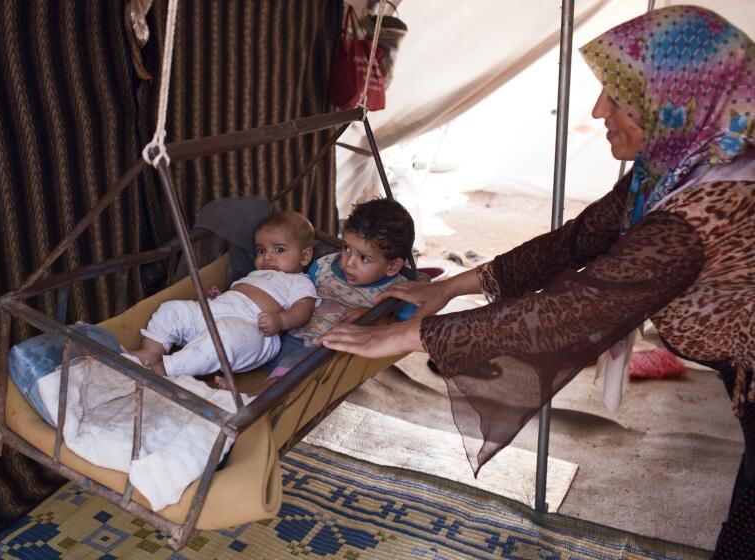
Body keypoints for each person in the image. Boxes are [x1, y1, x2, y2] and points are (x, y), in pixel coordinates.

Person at [320, 6, 754, 558]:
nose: (598, 110)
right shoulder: (672, 171)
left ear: (675, 100)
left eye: (616, 96)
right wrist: (454, 285)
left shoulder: (709, 203)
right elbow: (575, 242)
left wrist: (414, 336)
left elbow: (581, 307)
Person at [223, 197, 417, 396]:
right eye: (346, 248)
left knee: (296, 366)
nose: (348, 262)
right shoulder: (323, 265)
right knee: (245, 337)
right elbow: (293, 289)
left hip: (321, 351)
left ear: (392, 266)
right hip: (287, 332)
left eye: (364, 258)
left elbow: (405, 332)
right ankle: (212, 369)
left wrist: (374, 317)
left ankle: (254, 398)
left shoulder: (398, 291)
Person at [131, 210, 318, 378]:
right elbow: (239, 297)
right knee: (172, 309)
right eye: (261, 250)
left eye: (279, 250)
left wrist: (281, 321)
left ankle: (168, 368)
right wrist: (219, 297)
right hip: (215, 312)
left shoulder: (299, 281)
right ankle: (150, 351)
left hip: (253, 328)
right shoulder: (255, 274)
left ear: (304, 256)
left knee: (225, 337)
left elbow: (304, 309)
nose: (267, 256)